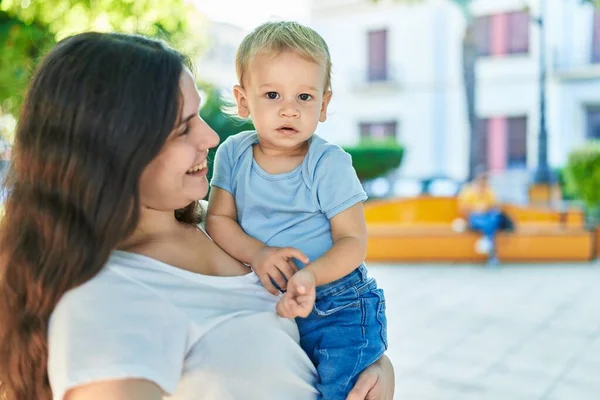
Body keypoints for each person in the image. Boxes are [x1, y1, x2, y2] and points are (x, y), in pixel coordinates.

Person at [0, 32, 395, 400]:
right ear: (114, 149)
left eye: (200, 118)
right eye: (182, 128)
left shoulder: (215, 222)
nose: (210, 138)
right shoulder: (104, 299)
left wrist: (374, 365)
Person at [206, 21, 388, 399]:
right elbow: (218, 219)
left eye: (304, 98)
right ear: (243, 101)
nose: (289, 110)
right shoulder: (234, 154)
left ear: (323, 105)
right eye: (272, 94)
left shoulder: (328, 163)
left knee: (343, 389)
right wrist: (258, 253)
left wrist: (312, 277)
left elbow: (353, 241)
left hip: (337, 300)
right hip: (269, 293)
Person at [457, 167, 511, 265]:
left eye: (485, 179)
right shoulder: (469, 190)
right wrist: (477, 209)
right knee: (489, 223)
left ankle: (487, 242)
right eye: (482, 179)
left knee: (492, 220)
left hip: (488, 217)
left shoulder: (489, 191)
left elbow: (496, 206)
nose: (484, 181)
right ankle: (492, 254)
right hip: (474, 218)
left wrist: (486, 207)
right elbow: (463, 209)